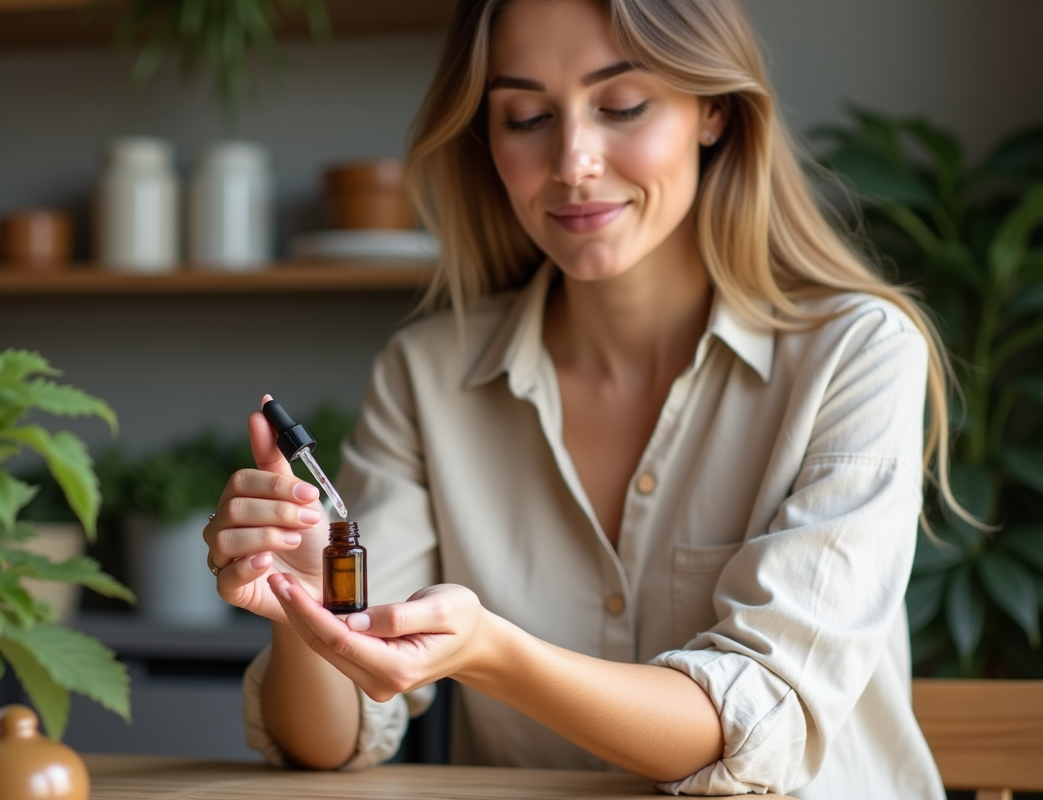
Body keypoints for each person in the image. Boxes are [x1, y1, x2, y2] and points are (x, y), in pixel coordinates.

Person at [202, 0, 955, 796]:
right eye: (525, 117)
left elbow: (751, 727)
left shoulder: (858, 354)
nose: (573, 161)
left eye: (622, 106)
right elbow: (329, 739)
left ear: (714, 113)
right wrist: (301, 607)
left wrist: (494, 652)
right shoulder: (425, 376)